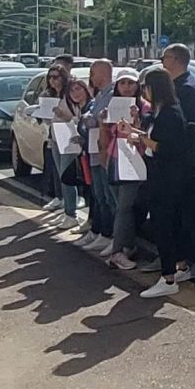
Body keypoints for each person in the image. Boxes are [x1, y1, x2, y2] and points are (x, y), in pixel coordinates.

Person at [133, 50, 195, 299]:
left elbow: (170, 146)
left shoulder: (172, 112)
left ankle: (168, 277)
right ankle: (179, 266)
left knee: (165, 225)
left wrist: (145, 140)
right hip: (163, 175)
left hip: (170, 178)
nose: (144, 92)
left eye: (146, 87)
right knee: (170, 224)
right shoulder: (160, 111)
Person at [100, 73, 157, 275]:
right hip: (116, 157)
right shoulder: (113, 105)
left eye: (131, 83)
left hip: (136, 160)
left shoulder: (146, 107)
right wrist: (103, 122)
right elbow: (107, 135)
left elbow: (146, 136)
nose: (126, 87)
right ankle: (126, 245)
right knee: (121, 205)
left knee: (125, 206)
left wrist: (137, 121)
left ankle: (118, 251)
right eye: (123, 83)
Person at [36, 59, 86, 225]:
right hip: (56, 137)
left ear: (64, 77)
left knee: (67, 176)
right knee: (60, 174)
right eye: (50, 77)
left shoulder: (69, 95)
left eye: (57, 77)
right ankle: (67, 209)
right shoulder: (50, 95)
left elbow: (80, 117)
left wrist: (66, 117)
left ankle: (71, 214)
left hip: (70, 137)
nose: (53, 80)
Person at [78, 59, 118, 257]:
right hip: (93, 148)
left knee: (108, 196)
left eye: (93, 72)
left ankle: (110, 234)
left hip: (104, 151)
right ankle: (101, 231)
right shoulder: (100, 95)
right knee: (99, 195)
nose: (91, 77)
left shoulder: (111, 95)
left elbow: (104, 119)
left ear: (103, 73)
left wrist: (90, 119)